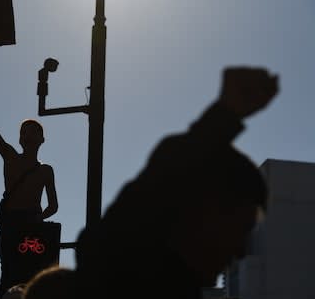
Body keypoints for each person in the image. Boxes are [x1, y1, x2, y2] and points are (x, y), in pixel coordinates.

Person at [74, 66, 279, 299]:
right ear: (203, 210)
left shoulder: (177, 285)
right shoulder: (116, 274)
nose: (240, 253)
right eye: (237, 232)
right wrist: (225, 114)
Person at [0, 83, 59, 299]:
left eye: (33, 131)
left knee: (37, 276)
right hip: (11, 225)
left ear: (42, 139)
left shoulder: (46, 171)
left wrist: (38, 217)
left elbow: (53, 205)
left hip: (33, 224)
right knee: (10, 275)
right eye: (24, 132)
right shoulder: (11, 158)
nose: (28, 135)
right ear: (20, 139)